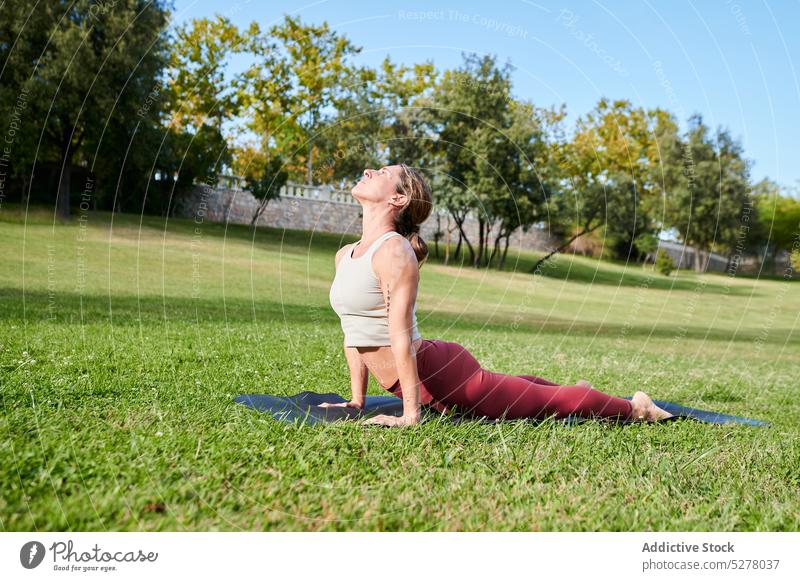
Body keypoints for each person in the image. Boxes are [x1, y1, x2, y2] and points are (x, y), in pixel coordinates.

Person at [323, 164, 673, 427]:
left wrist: (410, 416)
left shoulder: (394, 252)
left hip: (443, 374)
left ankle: (636, 407)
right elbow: (353, 333)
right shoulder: (347, 254)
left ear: (398, 198)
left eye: (381, 172)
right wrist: (356, 401)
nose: (368, 171)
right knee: (519, 389)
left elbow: (398, 337)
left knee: (543, 403)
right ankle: (577, 388)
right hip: (425, 374)